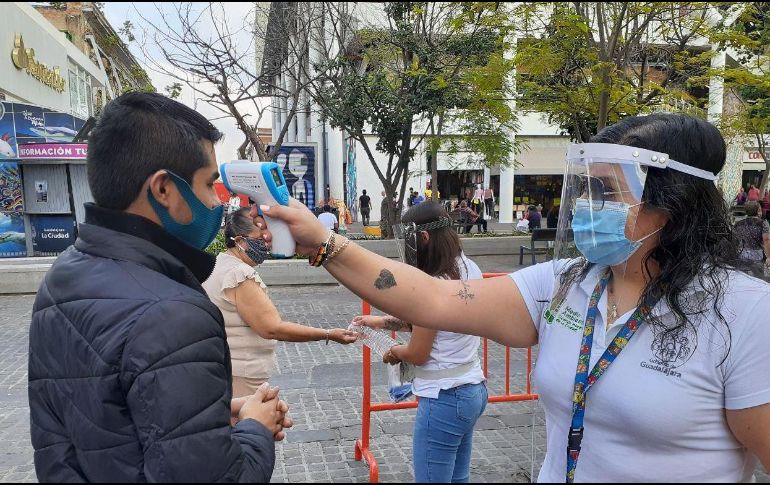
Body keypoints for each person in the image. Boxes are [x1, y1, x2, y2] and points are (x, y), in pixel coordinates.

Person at [260, 113, 770, 483]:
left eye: (606, 192)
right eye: (586, 189)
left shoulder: (742, 313)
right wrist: (326, 243)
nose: (589, 206)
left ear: (671, 202)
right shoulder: (568, 282)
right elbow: (433, 300)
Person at [28, 92, 291, 482]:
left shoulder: (63, 275)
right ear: (164, 189)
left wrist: (209, 417)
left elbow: (104, 424)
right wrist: (256, 428)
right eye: (207, 185)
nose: (215, 203)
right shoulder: (173, 312)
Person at [352, 202, 487, 483]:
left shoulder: (432, 284)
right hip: (471, 388)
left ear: (423, 238)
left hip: (444, 398)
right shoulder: (468, 267)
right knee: (458, 478)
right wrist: (380, 322)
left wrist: (393, 352)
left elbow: (419, 352)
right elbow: (437, 323)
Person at [203, 208, 357, 397]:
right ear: (240, 241)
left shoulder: (220, 264)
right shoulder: (239, 274)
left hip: (229, 369)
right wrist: (328, 334)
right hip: (243, 375)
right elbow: (272, 328)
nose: (266, 244)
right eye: (260, 240)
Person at [734, 201, 770, 279]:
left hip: (742, 253)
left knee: (743, 278)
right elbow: (766, 240)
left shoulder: (738, 223)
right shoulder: (763, 223)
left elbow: (735, 239)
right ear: (758, 211)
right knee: (759, 278)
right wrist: (769, 257)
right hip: (757, 255)